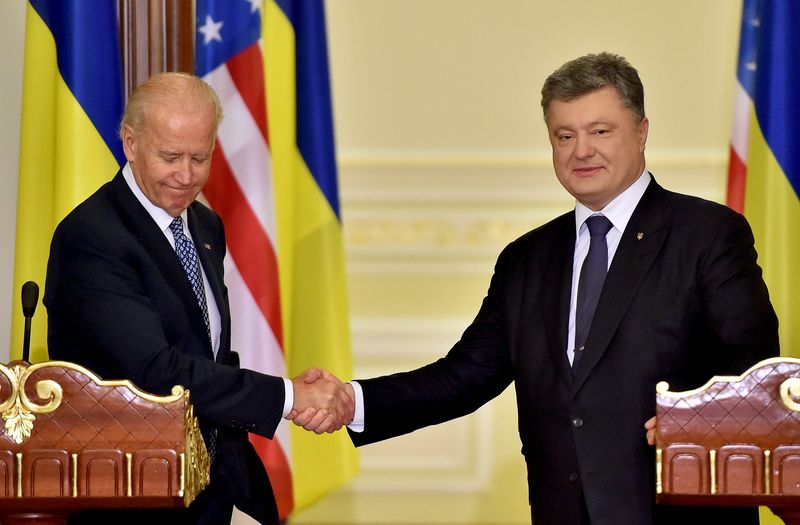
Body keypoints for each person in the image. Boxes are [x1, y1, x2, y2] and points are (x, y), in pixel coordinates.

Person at [290, 53, 779, 524]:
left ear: (642, 131)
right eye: (564, 135)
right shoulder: (527, 259)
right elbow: (463, 377)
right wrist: (353, 402)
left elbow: (753, 374)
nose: (581, 151)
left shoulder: (709, 235)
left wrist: (691, 421)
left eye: (600, 131)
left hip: (673, 510)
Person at [44, 72, 352, 525]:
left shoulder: (205, 227)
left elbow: (207, 353)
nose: (186, 176)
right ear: (130, 144)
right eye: (170, 157)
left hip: (216, 484)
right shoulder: (93, 237)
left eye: (200, 158)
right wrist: (288, 396)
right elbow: (156, 371)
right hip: (134, 494)